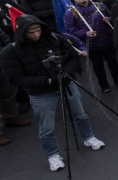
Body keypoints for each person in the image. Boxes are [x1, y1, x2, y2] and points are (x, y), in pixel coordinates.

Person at [0, 15, 105, 171]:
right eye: (31, 32)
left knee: (81, 114)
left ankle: (88, 137)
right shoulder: (11, 51)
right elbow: (15, 78)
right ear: (21, 32)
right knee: (46, 127)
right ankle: (52, 154)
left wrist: (65, 73)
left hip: (66, 84)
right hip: (41, 93)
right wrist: (46, 81)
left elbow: (72, 57)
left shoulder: (56, 38)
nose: (36, 34)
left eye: (38, 30)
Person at [64, 0, 118, 93]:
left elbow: (111, 17)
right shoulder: (71, 13)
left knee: (113, 62)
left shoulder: (99, 6)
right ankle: (104, 84)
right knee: (98, 66)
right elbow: (70, 31)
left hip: (107, 40)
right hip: (92, 44)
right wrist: (85, 33)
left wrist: (108, 20)